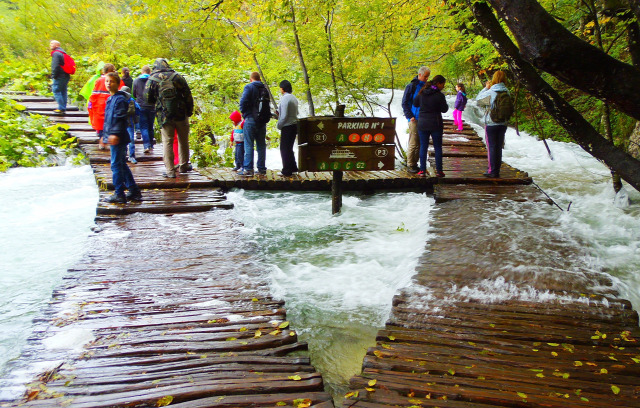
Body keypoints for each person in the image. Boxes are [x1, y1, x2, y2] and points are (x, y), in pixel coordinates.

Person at [144, 58, 194, 178]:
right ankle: (183, 165)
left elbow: (147, 99)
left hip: (164, 116)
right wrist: (189, 110)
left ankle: (170, 170)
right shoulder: (177, 77)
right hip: (181, 113)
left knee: (168, 142)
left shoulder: (152, 79)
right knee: (183, 140)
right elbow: (188, 95)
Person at [103, 72, 142, 204]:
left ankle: (119, 193)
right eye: (107, 81)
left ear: (118, 84)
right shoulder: (110, 99)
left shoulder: (119, 99)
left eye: (112, 81)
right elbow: (108, 119)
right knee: (121, 164)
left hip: (119, 137)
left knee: (115, 166)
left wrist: (114, 134)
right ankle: (134, 190)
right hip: (114, 135)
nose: (108, 84)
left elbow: (119, 118)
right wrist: (104, 136)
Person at [476, 71, 510, 178]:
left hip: (491, 123)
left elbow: (479, 101)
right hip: (503, 123)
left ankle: (492, 171)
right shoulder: (507, 91)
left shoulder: (491, 91)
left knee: (491, 147)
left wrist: (486, 88)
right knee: (498, 147)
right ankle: (497, 170)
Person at [413, 75, 448, 178]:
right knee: (437, 147)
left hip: (423, 123)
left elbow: (415, 104)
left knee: (423, 146)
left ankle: (422, 170)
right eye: (443, 84)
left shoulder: (422, 93)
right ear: (438, 83)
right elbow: (444, 109)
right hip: (436, 124)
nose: (443, 87)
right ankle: (439, 171)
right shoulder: (439, 95)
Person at [238, 72, 269, 176]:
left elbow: (242, 102)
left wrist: (244, 113)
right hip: (262, 121)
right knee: (261, 145)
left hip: (250, 119)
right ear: (259, 79)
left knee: (248, 144)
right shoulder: (265, 88)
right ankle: (261, 169)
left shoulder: (249, 87)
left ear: (251, 79)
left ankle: (248, 169)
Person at [401, 66, 430, 173]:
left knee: (420, 142)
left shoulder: (426, 87)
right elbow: (404, 103)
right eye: (425, 76)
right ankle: (410, 164)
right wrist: (410, 116)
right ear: (420, 75)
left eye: (428, 77)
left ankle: (415, 163)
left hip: (423, 118)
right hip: (414, 118)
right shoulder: (411, 86)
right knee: (413, 142)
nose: (427, 78)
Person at [88, 63, 123, 150]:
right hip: (112, 104)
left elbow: (94, 94)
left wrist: (91, 105)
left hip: (99, 105)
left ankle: (102, 141)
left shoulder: (99, 80)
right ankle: (108, 141)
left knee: (100, 124)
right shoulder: (117, 80)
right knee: (111, 122)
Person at [276, 80, 299, 177]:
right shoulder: (294, 98)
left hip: (287, 126)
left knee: (284, 148)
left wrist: (279, 125)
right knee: (289, 148)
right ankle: (293, 167)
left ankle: (286, 171)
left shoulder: (285, 99)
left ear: (282, 88)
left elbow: (284, 115)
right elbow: (296, 113)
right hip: (294, 125)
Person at [132, 65, 157, 152]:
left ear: (142, 72)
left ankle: (146, 145)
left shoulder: (136, 81)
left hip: (141, 106)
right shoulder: (153, 80)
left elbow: (134, 94)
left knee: (143, 127)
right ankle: (151, 145)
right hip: (152, 106)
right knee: (151, 126)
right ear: (150, 72)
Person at [120, 86, 141, 164]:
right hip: (130, 122)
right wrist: (137, 126)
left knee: (122, 140)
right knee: (131, 139)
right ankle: (131, 156)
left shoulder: (119, 99)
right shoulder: (131, 100)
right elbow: (138, 111)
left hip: (121, 122)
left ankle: (123, 155)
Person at [49, 40, 70, 114]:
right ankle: (63, 107)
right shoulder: (63, 53)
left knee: (56, 90)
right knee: (63, 91)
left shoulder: (56, 54)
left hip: (60, 75)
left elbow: (55, 66)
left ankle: (61, 108)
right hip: (66, 75)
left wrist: (54, 75)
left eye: (52, 44)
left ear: (57, 45)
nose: (50, 45)